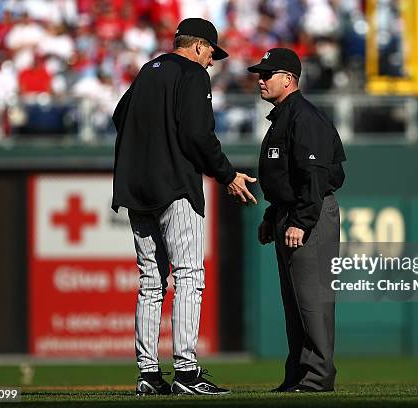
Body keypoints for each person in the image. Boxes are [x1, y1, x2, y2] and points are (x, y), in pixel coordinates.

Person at [112, 17, 257, 396]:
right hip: (174, 185)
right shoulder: (192, 74)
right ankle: (187, 372)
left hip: (136, 187)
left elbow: (119, 116)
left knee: (150, 281)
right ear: (197, 47)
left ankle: (148, 374)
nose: (212, 60)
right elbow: (196, 134)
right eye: (211, 51)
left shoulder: (148, 70)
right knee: (189, 274)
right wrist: (226, 174)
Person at [248, 48, 346, 393]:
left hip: (311, 213)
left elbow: (315, 176)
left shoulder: (305, 117)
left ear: (288, 79)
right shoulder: (283, 118)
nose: (260, 79)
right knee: (295, 305)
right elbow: (285, 178)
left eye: (267, 74)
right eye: (260, 74)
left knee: (312, 301)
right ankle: (298, 377)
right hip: (289, 212)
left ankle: (317, 377)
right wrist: (272, 215)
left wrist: (302, 221)